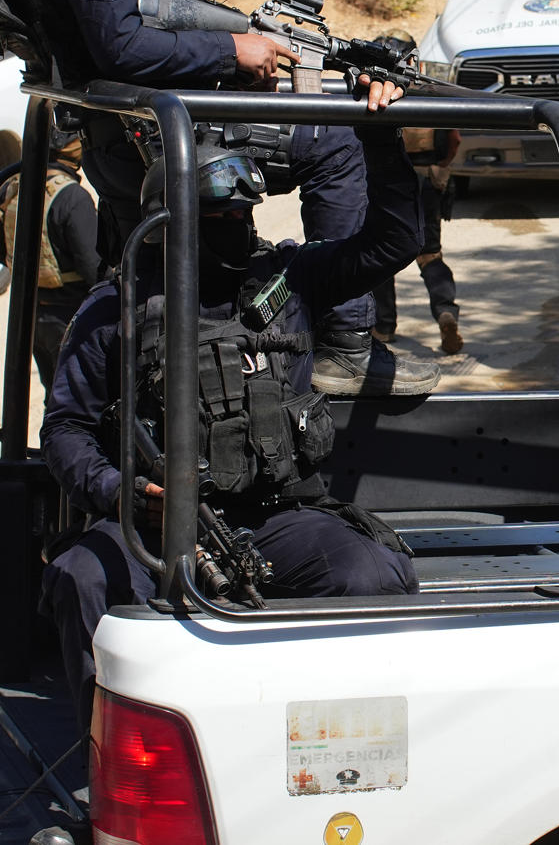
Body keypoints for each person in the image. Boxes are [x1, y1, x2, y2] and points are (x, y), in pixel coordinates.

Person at [11, 0, 437, 397]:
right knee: (340, 144)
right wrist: (232, 52)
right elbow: (118, 44)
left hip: (139, 129)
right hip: (154, 137)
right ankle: (345, 346)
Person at [39, 92, 422, 730]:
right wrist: (124, 493)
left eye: (244, 215)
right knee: (84, 578)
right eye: (220, 219)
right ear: (170, 226)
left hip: (277, 517)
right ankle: (106, 762)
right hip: (154, 527)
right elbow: (67, 430)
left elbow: (393, 241)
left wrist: (380, 136)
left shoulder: (288, 280)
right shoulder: (115, 310)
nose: (239, 231)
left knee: (369, 574)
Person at [366, 29, 464, 356]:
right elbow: (454, 140)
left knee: (383, 251)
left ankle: (383, 325)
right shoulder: (430, 91)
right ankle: (445, 310)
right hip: (427, 180)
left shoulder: (373, 93)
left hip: (389, 182)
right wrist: (441, 170)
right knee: (429, 252)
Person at [0, 125, 101, 386]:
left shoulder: (12, 187)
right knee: (77, 400)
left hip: (31, 315)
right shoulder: (72, 197)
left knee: (53, 397)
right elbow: (93, 269)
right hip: (68, 317)